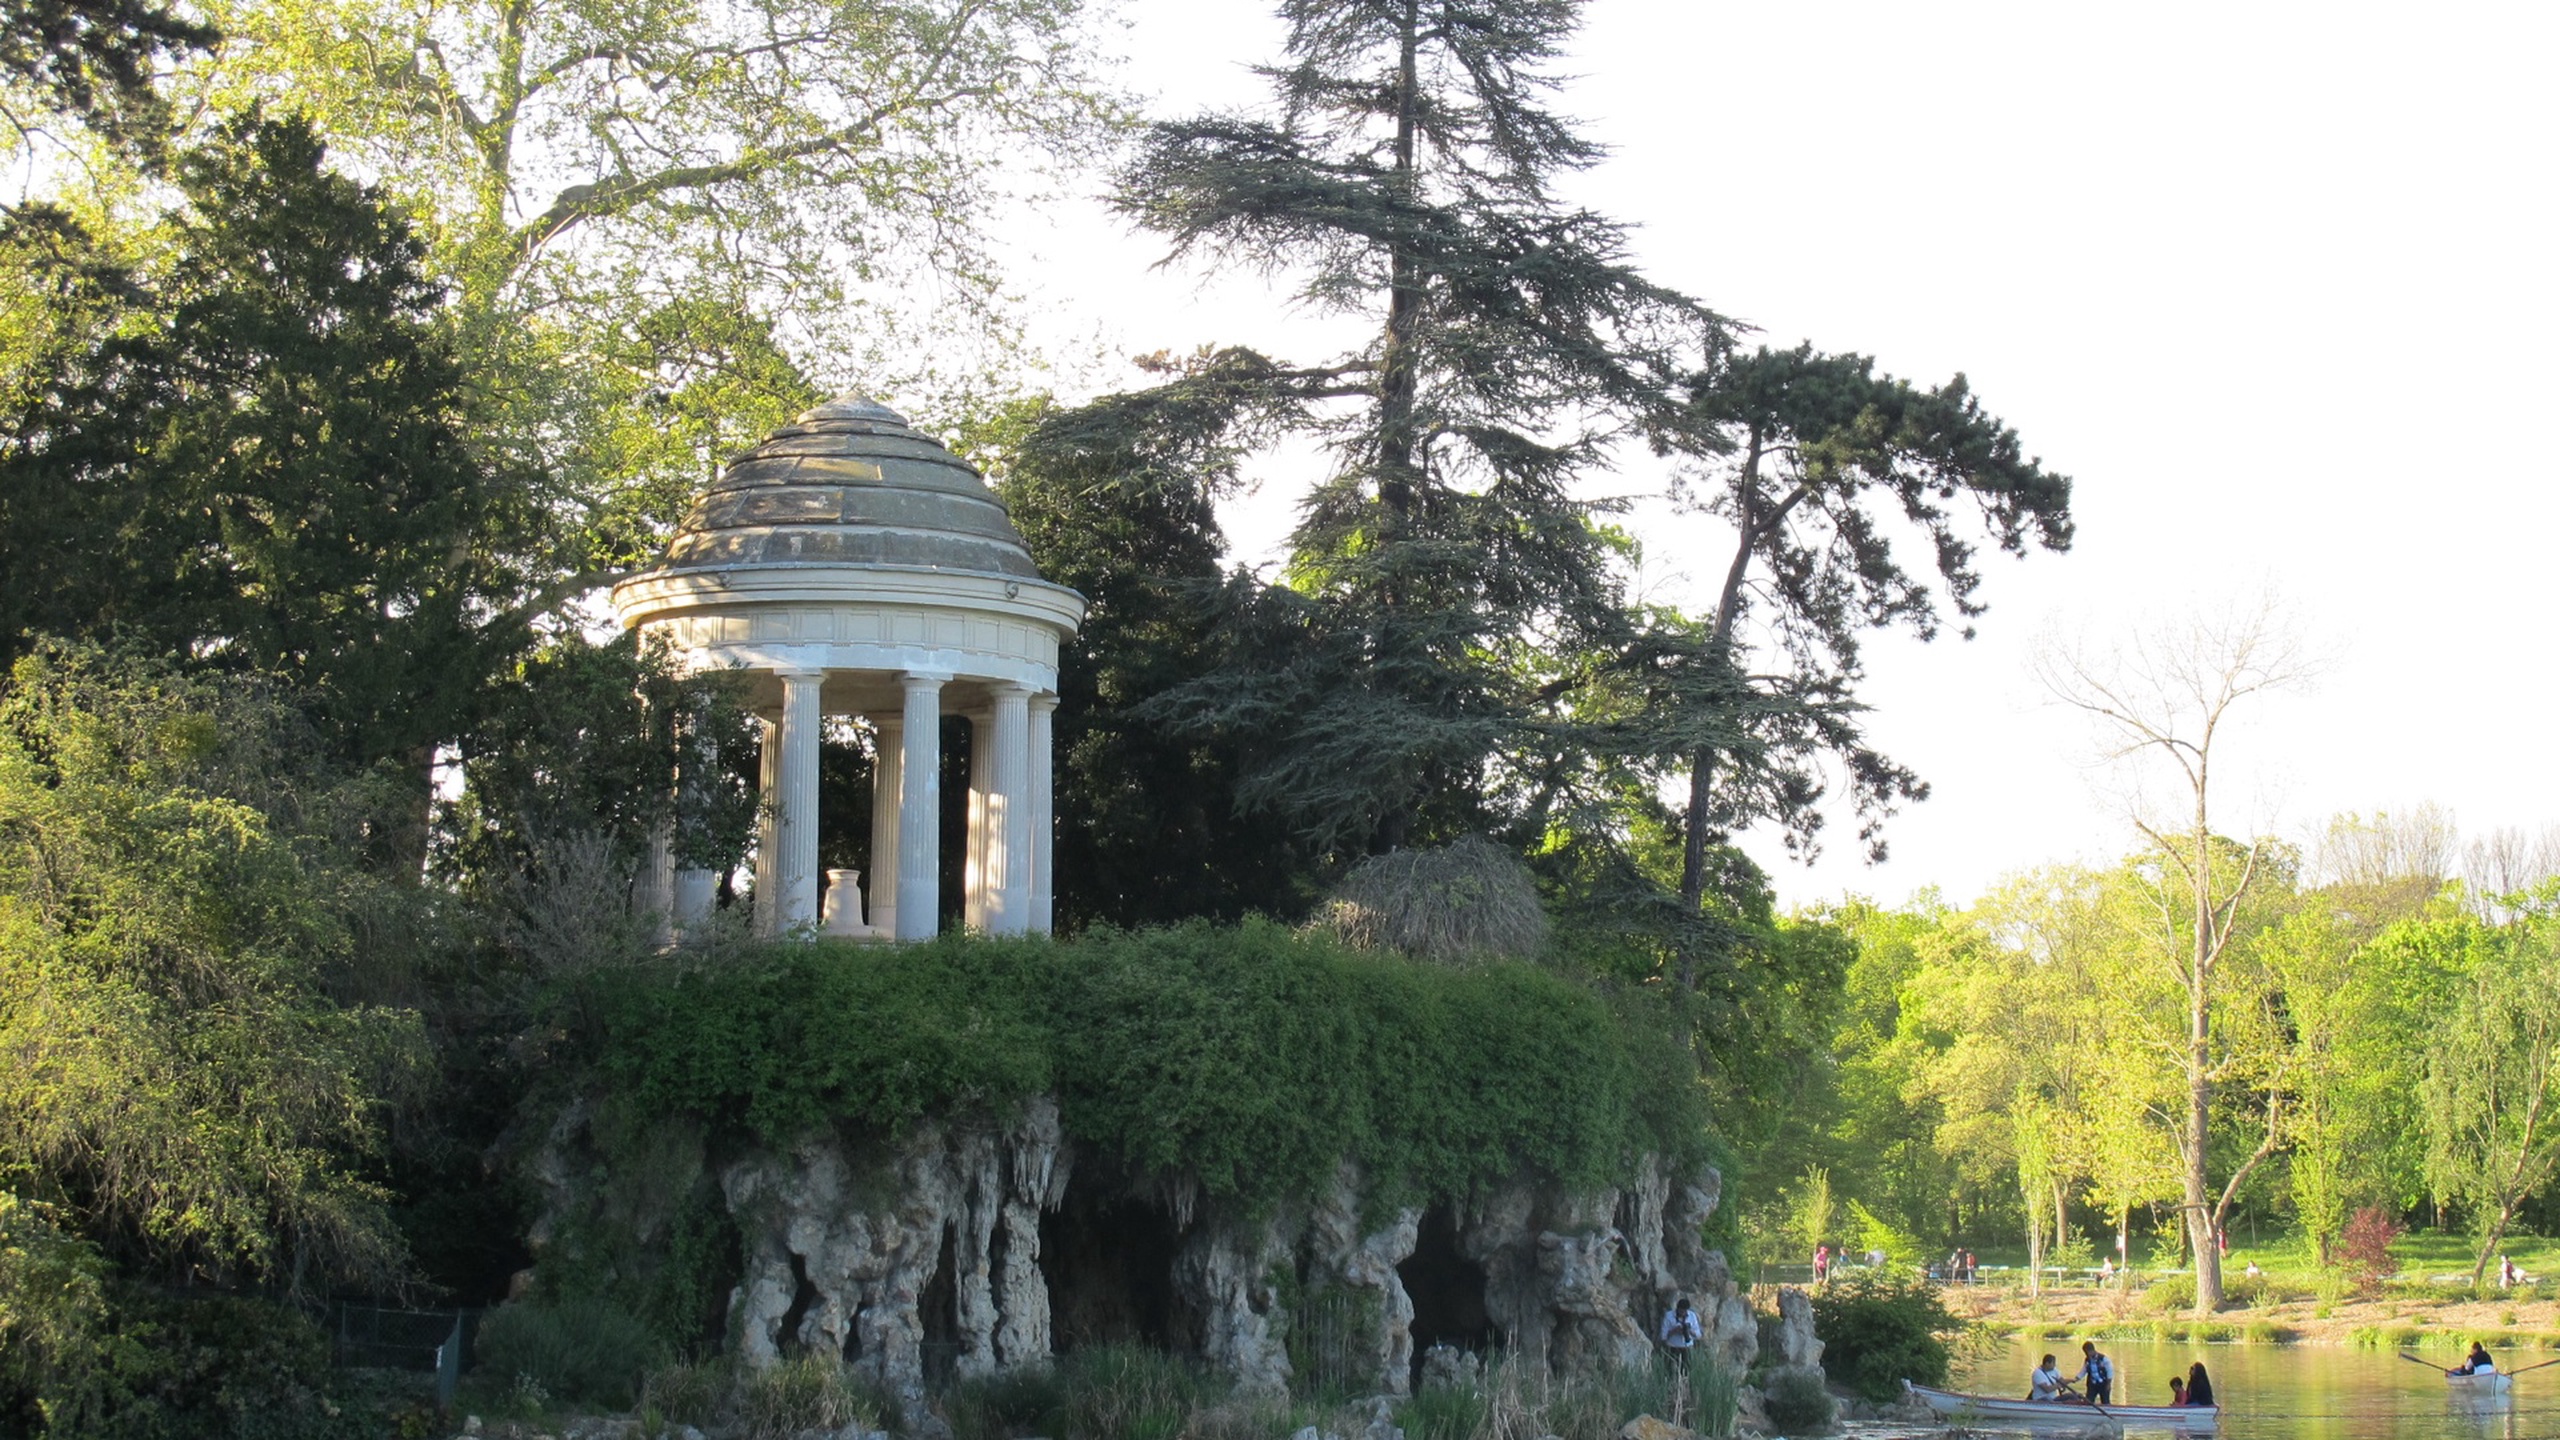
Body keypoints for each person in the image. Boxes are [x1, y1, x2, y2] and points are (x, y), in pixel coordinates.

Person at [1659, 1296, 1702, 1366]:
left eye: (1685, 1311)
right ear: (1677, 1308)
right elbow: (1663, 1336)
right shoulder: (1669, 1316)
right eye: (1681, 1311)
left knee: (1687, 1370)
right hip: (1673, 1348)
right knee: (1671, 1370)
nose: (1683, 1313)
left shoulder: (1692, 1316)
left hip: (1687, 1348)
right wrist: (1674, 1331)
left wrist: (1689, 1331)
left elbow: (1698, 1334)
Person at [2076, 1340, 2114, 1405]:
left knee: (2105, 1401)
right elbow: (2083, 1370)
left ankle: (2107, 1409)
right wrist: (2077, 1378)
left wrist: (2108, 1384)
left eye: (2086, 1352)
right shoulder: (2087, 1360)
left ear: (2091, 1350)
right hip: (2092, 1384)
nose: (2086, 1354)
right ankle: (2089, 1411)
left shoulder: (2104, 1359)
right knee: (2089, 1401)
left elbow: (2110, 1372)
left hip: (2103, 1384)